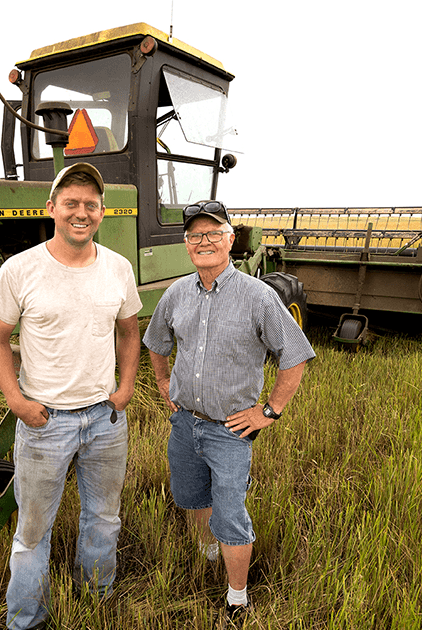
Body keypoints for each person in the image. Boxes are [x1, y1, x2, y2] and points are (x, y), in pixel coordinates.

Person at [0, 162, 142, 630]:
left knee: (104, 518)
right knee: (33, 531)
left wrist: (126, 387)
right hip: (44, 420)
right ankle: (27, 619)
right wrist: (16, 400)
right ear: (51, 208)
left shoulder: (118, 267)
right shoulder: (21, 269)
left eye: (90, 205)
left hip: (105, 420)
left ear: (102, 212)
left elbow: (130, 332)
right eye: (71, 203)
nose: (81, 212)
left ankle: (96, 598)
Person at [142, 200, 315, 621]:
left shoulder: (259, 296)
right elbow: (156, 343)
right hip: (184, 424)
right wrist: (164, 384)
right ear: (186, 245)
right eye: (196, 236)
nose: (204, 242)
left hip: (230, 430)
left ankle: (236, 597)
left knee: (231, 513)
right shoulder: (177, 293)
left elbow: (295, 355)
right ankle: (206, 556)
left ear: (230, 240)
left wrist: (269, 412)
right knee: (190, 496)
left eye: (213, 234)